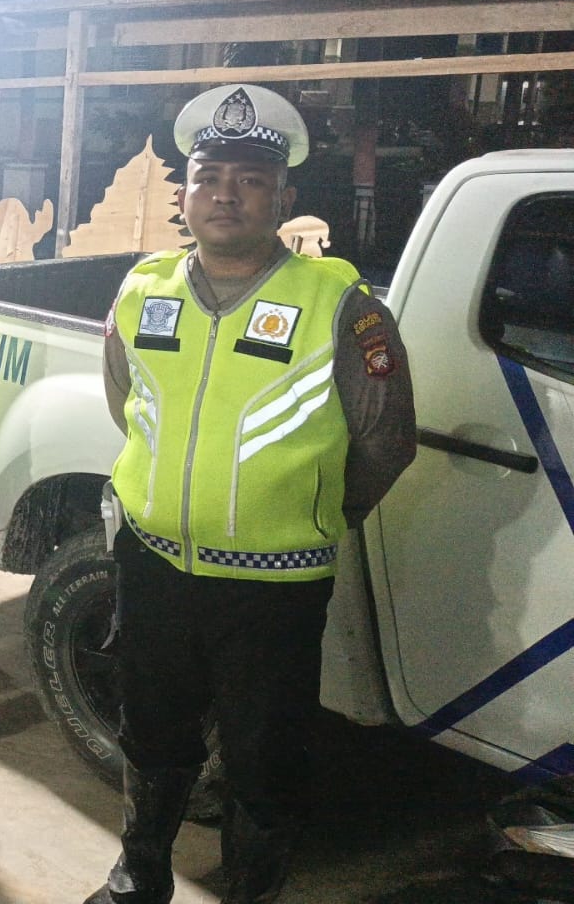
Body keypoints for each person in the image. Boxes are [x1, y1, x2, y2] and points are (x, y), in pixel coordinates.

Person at [85, 84, 417, 904]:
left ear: (282, 197)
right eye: (207, 176)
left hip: (273, 587)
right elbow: (125, 403)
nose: (224, 194)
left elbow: (385, 442)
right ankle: (139, 871)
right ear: (184, 194)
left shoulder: (341, 308)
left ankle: (248, 892)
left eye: (249, 179)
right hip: (152, 564)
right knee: (150, 730)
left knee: (263, 756)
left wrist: (311, 516)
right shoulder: (141, 291)